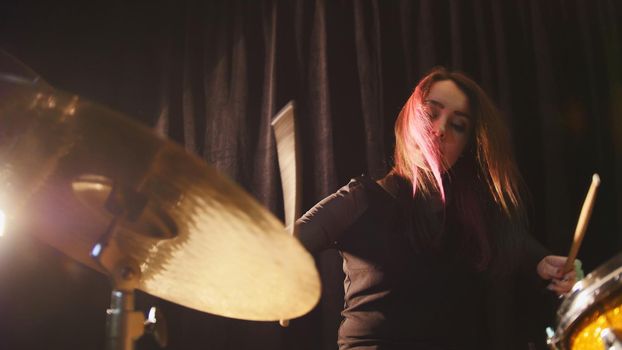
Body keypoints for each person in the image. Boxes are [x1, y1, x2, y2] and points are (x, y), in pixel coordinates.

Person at [294, 67, 577, 350]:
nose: (441, 130)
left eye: (458, 125)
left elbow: (520, 250)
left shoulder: (474, 215)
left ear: (466, 147)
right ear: (408, 121)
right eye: (432, 113)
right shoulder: (359, 199)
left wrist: (545, 264)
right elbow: (282, 246)